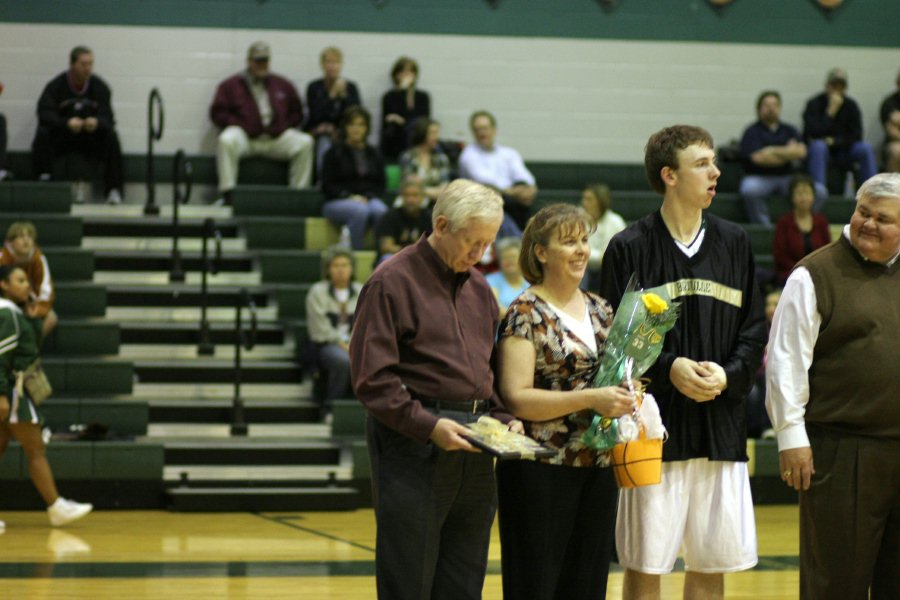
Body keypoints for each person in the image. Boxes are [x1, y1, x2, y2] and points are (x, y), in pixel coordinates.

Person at [598, 125, 766, 600]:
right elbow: (616, 341)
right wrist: (669, 367)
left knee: (711, 564)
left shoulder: (735, 243)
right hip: (653, 429)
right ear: (669, 175)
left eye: (714, 162)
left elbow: (754, 329)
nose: (715, 172)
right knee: (645, 563)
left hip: (720, 426)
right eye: (701, 164)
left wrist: (730, 374)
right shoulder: (629, 247)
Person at [349, 179, 521, 600]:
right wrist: (430, 426)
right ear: (441, 225)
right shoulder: (390, 281)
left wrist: (504, 418)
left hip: (477, 447)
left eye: (488, 243)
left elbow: (487, 371)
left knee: (464, 580)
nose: (480, 254)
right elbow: (373, 382)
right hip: (415, 445)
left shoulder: (480, 287)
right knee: (409, 579)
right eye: (472, 241)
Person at [766, 172, 900, 598]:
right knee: (836, 583)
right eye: (864, 212)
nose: (869, 224)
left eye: (884, 218)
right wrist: (791, 436)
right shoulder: (814, 274)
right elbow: (785, 361)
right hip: (842, 452)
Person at [495, 203, 635, 600]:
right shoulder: (524, 312)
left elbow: (618, 376)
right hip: (540, 469)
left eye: (585, 241)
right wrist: (591, 398)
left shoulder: (602, 309)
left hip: (599, 464)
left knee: (587, 585)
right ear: (541, 252)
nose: (580, 251)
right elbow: (516, 397)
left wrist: (629, 392)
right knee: (536, 584)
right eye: (568, 242)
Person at [0, 265, 93, 527]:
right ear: (3, 284)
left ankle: (56, 506)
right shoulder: (6, 313)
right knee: (36, 449)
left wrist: (31, 316)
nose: (26, 285)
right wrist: (1, 395)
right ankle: (55, 506)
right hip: (11, 392)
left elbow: (25, 344)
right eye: (19, 280)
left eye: (27, 281)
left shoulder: (15, 313)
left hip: (10, 390)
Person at [209, 41, 314, 206]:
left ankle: (298, 197)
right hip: (247, 137)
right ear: (249, 61)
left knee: (304, 142)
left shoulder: (283, 84)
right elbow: (218, 113)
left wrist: (284, 125)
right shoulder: (230, 85)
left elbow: (297, 112)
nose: (261, 65)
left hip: (275, 137)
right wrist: (238, 123)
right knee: (226, 140)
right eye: (257, 61)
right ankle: (228, 194)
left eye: (264, 61)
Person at [31, 46, 124, 204]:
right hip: (64, 138)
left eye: (90, 64)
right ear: (72, 64)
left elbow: (109, 117)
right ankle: (44, 180)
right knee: (43, 134)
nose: (88, 68)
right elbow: (44, 113)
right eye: (83, 64)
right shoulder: (55, 86)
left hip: (90, 139)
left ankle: (113, 190)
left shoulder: (100, 87)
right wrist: (65, 123)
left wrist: (97, 122)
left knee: (112, 137)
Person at [740, 90, 827, 226]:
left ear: (779, 108)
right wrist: (787, 153)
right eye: (766, 105)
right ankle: (764, 228)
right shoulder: (751, 132)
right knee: (749, 189)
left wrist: (770, 150)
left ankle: (797, 225)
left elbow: (801, 152)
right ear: (759, 109)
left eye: (774, 105)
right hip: (760, 177)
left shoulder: (789, 130)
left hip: (789, 178)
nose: (771, 109)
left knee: (820, 192)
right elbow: (758, 159)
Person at [458, 110, 538, 236]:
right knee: (498, 202)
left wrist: (525, 189)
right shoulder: (468, 155)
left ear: (494, 129)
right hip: (482, 206)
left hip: (516, 203)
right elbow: (488, 186)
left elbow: (528, 181)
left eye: (484, 128)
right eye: (477, 130)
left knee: (524, 198)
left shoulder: (509, 153)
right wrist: (515, 192)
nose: (481, 133)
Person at [321, 106, 389, 250]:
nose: (356, 129)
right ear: (345, 127)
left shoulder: (374, 153)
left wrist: (368, 196)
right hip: (337, 201)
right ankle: (357, 253)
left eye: (360, 124)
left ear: (367, 128)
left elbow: (381, 185)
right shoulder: (333, 153)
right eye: (351, 124)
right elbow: (327, 186)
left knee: (381, 211)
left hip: (368, 199)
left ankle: (380, 254)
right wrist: (349, 196)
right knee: (359, 211)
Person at [803, 68, 878, 194]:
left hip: (845, 149)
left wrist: (834, 141)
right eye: (834, 85)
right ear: (827, 86)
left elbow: (857, 135)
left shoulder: (851, 105)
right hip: (823, 151)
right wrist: (830, 113)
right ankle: (819, 192)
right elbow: (811, 132)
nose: (837, 89)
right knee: (818, 147)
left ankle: (872, 192)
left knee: (865, 148)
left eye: (841, 86)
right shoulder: (814, 104)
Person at [305, 246, 361, 412]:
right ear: (328, 269)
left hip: (356, 344)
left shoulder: (362, 291)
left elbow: (368, 323)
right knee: (342, 360)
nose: (340, 270)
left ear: (352, 268)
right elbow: (319, 327)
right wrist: (341, 341)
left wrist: (353, 342)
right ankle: (331, 407)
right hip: (326, 345)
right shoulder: (317, 292)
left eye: (344, 265)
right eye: (336, 265)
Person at [304, 46, 362, 177]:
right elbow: (316, 115)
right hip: (321, 132)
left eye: (336, 62)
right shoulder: (314, 87)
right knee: (325, 141)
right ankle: (323, 178)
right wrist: (332, 96)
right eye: (328, 62)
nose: (332, 66)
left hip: (344, 131)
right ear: (322, 65)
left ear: (341, 65)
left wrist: (344, 98)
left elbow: (355, 115)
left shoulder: (351, 87)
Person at [1, 222, 58, 341]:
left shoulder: (38, 259)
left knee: (51, 317)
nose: (26, 241)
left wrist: (37, 308)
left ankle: (31, 350)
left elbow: (46, 293)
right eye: (21, 236)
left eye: (29, 237)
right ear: (10, 242)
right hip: (3, 302)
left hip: (27, 303)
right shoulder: (2, 257)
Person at [773, 174, 831, 285]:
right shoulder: (784, 222)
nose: (803, 197)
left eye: (807, 193)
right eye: (799, 193)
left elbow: (826, 251)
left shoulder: (821, 221)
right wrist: (800, 272)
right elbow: (780, 255)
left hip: (817, 275)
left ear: (813, 197)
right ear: (792, 197)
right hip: (789, 276)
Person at [380, 56, 431, 161]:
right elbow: (388, 123)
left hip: (417, 143)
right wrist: (401, 92)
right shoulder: (389, 96)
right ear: (396, 75)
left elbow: (422, 122)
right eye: (403, 71)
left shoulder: (423, 97)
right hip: (395, 143)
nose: (407, 75)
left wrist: (402, 121)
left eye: (410, 71)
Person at [581, 183, 626, 290]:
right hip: (584, 265)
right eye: (584, 198)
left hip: (608, 268)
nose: (584, 203)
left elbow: (612, 254)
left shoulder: (615, 221)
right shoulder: (579, 220)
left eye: (589, 199)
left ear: (600, 201)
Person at [375, 178, 431, 264]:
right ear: (401, 197)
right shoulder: (390, 216)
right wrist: (412, 252)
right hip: (396, 258)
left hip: (420, 259)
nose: (410, 200)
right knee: (387, 257)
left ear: (422, 197)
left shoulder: (429, 218)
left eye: (415, 195)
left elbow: (433, 246)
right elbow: (386, 247)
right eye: (407, 195)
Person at [399, 118, 451, 203]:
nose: (437, 137)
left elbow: (444, 190)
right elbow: (408, 188)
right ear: (422, 134)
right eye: (433, 133)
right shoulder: (408, 157)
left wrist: (421, 190)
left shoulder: (441, 158)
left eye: (437, 133)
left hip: (436, 203)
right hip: (413, 202)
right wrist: (432, 191)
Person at [484, 237, 527, 317]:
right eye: (505, 258)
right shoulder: (491, 281)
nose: (510, 261)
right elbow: (495, 308)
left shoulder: (530, 281)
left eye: (513, 257)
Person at [880, 69, 900, 173]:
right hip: (894, 143)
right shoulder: (889, 103)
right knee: (897, 151)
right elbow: (892, 133)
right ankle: (895, 187)